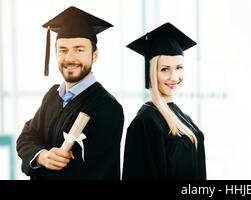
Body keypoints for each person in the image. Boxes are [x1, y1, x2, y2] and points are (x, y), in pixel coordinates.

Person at [16, 6, 124, 180]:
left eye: (79, 49)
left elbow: (92, 174)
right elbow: (26, 137)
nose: (70, 58)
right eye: (63, 50)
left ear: (94, 55)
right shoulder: (52, 95)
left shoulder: (108, 107)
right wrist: (42, 156)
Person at [122, 22, 206, 180]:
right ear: (152, 73)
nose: (174, 77)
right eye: (164, 69)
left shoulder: (183, 117)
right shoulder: (145, 123)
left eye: (179, 67)